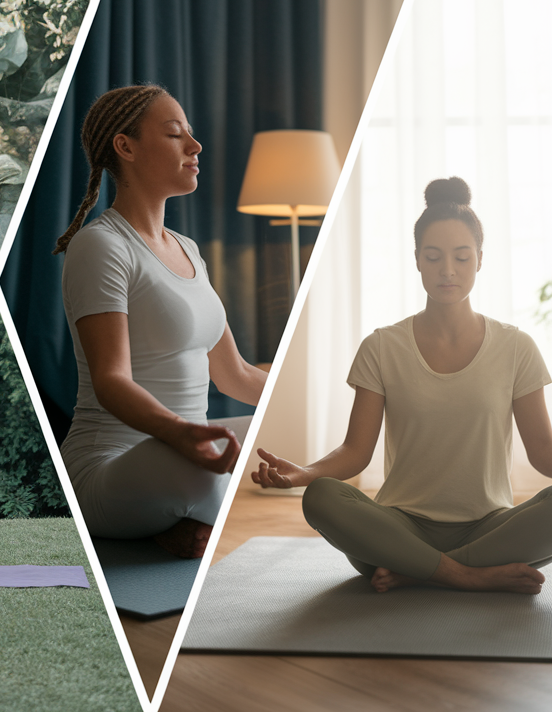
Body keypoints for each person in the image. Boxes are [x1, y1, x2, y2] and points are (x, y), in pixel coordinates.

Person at [253, 178, 552, 593]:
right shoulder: (382, 347)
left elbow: (543, 452)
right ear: (417, 260)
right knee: (321, 497)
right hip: (399, 528)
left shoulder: (517, 347)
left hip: (488, 528)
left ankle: (421, 572)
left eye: (462, 258)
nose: (448, 270)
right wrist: (305, 473)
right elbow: (355, 452)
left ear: (480, 260)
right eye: (434, 257)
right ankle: (467, 576)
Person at [55, 85, 267, 559]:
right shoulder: (100, 246)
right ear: (125, 147)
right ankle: (180, 513)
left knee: (270, 430)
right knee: (209, 461)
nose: (195, 147)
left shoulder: (188, 249)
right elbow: (111, 382)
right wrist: (180, 433)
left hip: (186, 448)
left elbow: (234, 374)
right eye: (175, 135)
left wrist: (315, 399)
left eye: (191, 135)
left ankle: (184, 520)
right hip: (112, 465)